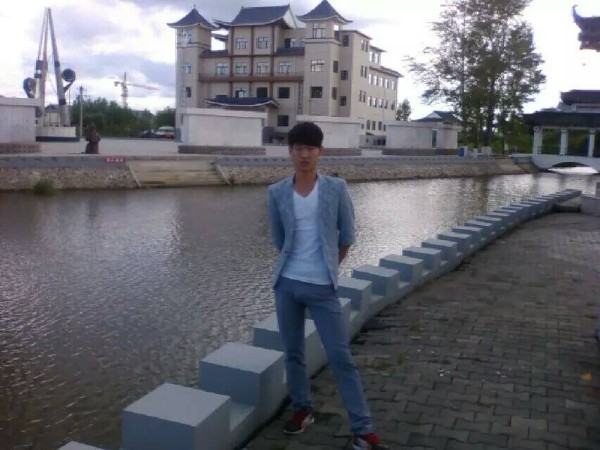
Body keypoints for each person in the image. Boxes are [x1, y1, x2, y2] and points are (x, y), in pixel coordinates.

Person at [267, 122, 389, 450]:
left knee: (340, 357)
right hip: (287, 285)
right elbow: (279, 240)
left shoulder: (336, 188)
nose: (304, 155)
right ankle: (302, 409)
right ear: (290, 152)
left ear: (320, 151)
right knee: (293, 353)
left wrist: (328, 267)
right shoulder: (277, 192)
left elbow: (347, 237)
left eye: (310, 148)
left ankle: (363, 429)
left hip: (322, 287)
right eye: (298, 148)